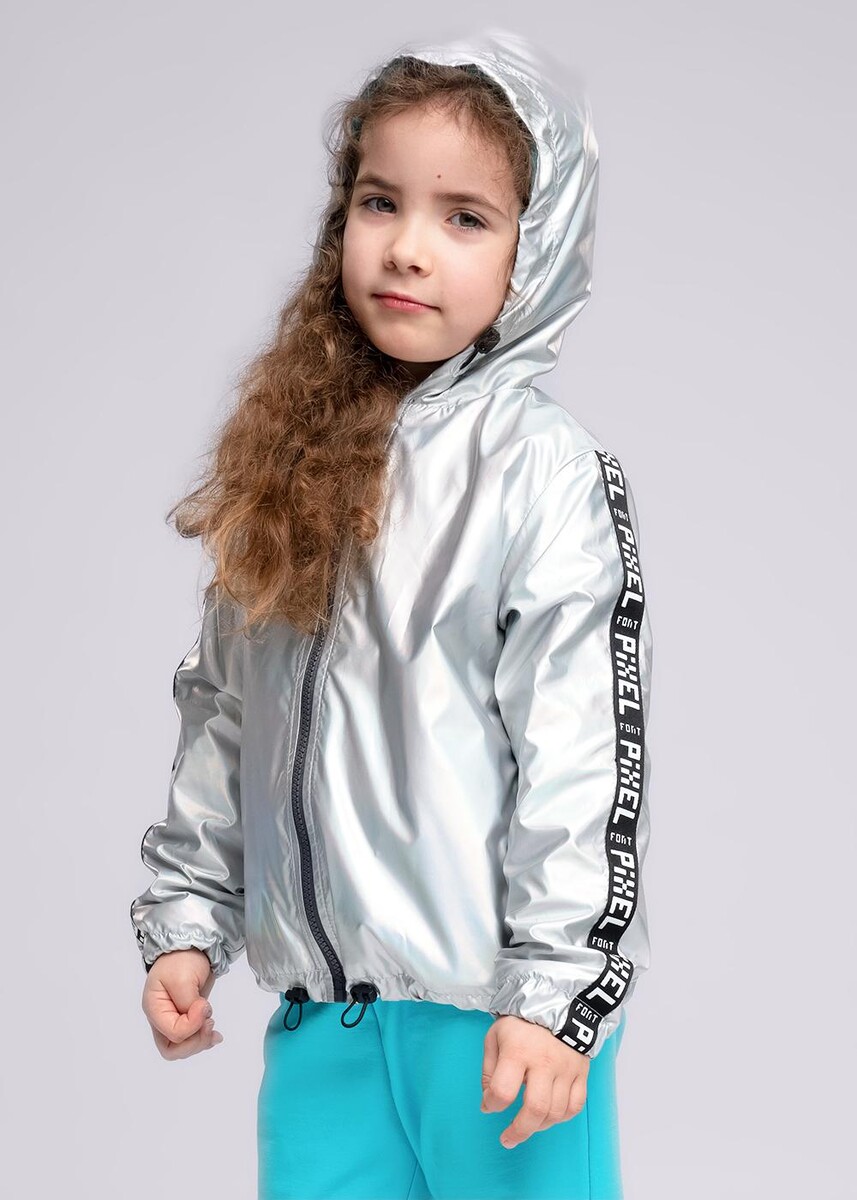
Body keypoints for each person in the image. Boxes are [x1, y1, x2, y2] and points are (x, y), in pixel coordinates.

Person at [130, 28, 653, 1200]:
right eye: (380, 202)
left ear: (534, 246)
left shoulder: (539, 472)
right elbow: (226, 712)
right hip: (327, 1031)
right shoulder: (291, 461)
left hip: (495, 1033)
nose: (408, 246)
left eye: (464, 217)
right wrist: (188, 914)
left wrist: (555, 998)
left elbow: (581, 752)